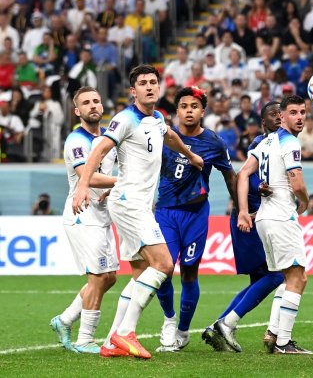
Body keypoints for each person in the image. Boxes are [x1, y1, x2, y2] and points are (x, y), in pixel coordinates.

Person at [72, 65, 204, 359]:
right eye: (142, 83)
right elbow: (100, 150)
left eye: (153, 82)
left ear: (159, 87)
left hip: (138, 204)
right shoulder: (125, 119)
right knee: (164, 264)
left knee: (141, 272)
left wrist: (190, 154)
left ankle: (109, 342)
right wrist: (83, 186)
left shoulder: (156, 118)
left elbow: (169, 136)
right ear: (133, 91)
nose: (149, 87)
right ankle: (125, 332)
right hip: (129, 203)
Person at [154, 86, 237, 352]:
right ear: (176, 111)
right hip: (165, 213)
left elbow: (229, 175)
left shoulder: (214, 142)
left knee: (189, 272)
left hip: (196, 215)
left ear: (202, 111)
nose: (189, 111)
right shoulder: (162, 135)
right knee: (163, 270)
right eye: (184, 106)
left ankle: (182, 331)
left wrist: (241, 206)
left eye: (194, 107)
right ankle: (169, 320)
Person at [202, 102, 285, 352]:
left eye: (282, 113)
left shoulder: (277, 143)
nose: (279, 117)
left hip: (254, 217)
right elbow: (243, 177)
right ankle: (227, 323)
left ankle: (219, 325)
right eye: (274, 114)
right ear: (263, 122)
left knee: (261, 279)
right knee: (277, 275)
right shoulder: (264, 143)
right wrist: (246, 209)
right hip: (249, 218)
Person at [236, 95, 313, 355]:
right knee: (298, 277)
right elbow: (297, 182)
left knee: (286, 277)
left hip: (265, 218)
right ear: (282, 117)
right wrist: (305, 200)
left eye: (303, 112)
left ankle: (273, 332)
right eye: (293, 112)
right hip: (281, 217)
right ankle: (284, 342)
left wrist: (245, 211)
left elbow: (244, 173)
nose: (300, 117)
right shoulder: (290, 142)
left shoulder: (266, 141)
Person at [50, 87, 118, 354]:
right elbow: (85, 176)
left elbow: (105, 177)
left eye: (96, 101)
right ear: (77, 111)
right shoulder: (76, 141)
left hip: (101, 213)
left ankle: (64, 320)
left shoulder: (105, 140)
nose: (93, 106)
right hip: (81, 214)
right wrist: (125, 182)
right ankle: (85, 339)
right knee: (99, 276)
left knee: (110, 277)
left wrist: (112, 188)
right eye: (86, 103)